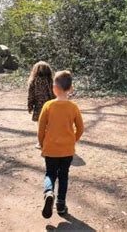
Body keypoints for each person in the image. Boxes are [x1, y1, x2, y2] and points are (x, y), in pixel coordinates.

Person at [38, 70, 84, 219]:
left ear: (54, 88)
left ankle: (49, 192)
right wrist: (73, 140)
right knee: (63, 176)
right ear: (70, 88)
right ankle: (61, 205)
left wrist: (41, 143)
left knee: (50, 173)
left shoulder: (48, 106)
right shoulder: (73, 107)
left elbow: (40, 129)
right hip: (67, 151)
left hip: (50, 149)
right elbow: (81, 128)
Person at [27, 61, 55, 148]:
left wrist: (30, 106)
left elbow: (30, 96)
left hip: (39, 107)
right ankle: (51, 140)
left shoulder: (33, 82)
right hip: (50, 106)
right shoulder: (50, 81)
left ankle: (41, 142)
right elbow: (53, 93)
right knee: (51, 125)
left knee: (41, 126)